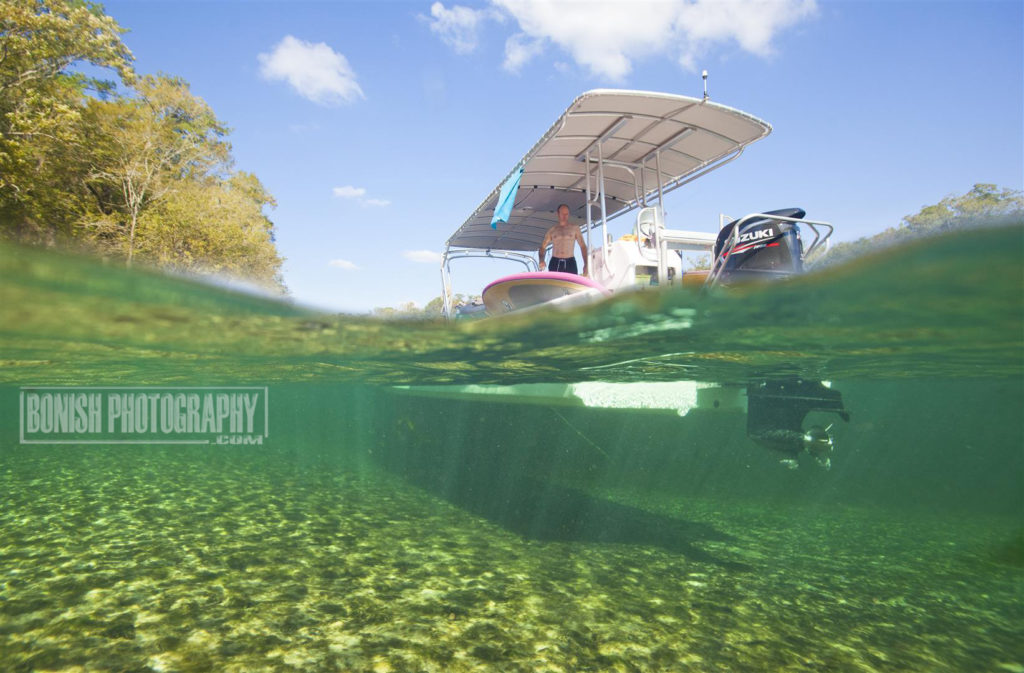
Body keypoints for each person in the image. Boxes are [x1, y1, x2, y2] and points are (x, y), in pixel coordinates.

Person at [538, 204, 588, 276]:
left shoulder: (575, 228)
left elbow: (583, 246)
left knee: (571, 285)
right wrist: (541, 260)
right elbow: (542, 247)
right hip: (555, 262)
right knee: (554, 285)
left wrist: (586, 264)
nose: (565, 216)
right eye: (563, 214)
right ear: (558, 214)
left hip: (570, 262)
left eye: (566, 214)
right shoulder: (552, 230)